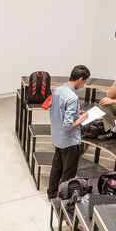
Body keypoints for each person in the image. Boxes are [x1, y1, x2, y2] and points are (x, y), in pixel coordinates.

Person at [47, 65, 91, 199]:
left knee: (56, 167)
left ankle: (51, 194)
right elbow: (67, 126)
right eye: (84, 82)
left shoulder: (58, 90)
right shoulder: (72, 98)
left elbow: (57, 112)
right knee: (68, 173)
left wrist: (77, 113)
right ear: (80, 79)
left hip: (58, 138)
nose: (83, 85)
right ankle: (63, 199)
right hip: (69, 141)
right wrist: (81, 118)